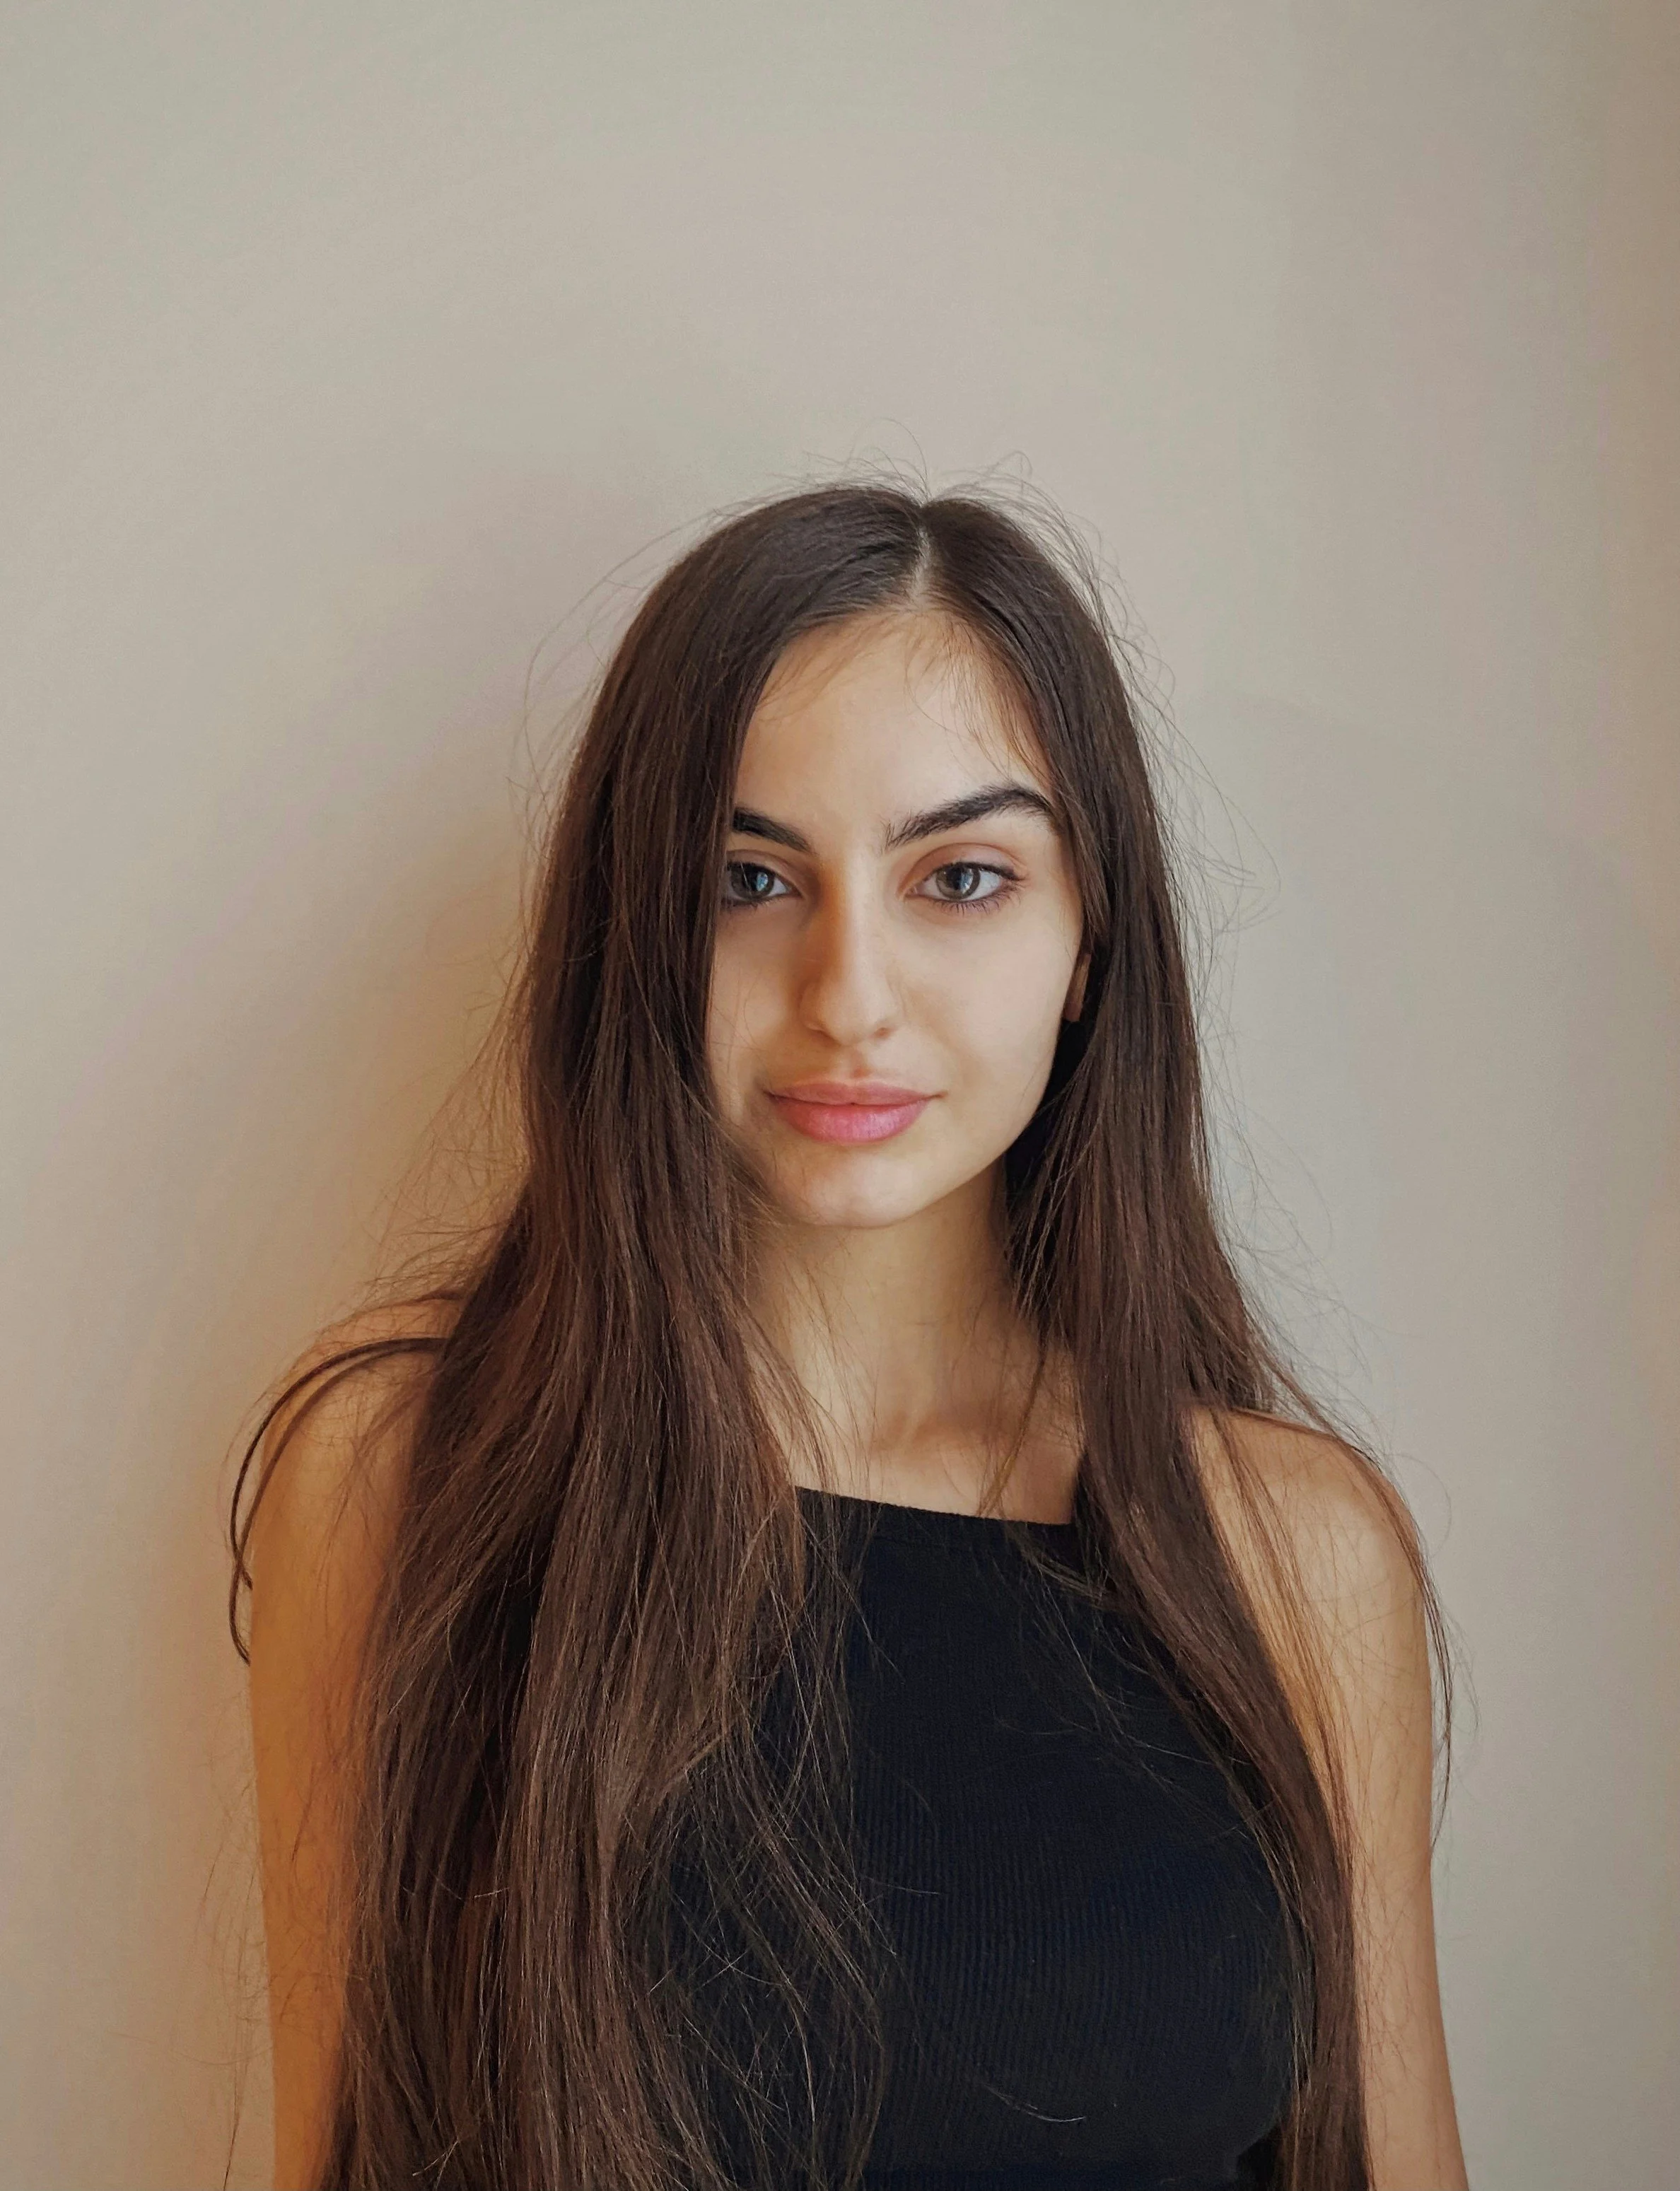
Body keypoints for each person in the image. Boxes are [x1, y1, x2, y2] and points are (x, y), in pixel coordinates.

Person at [232, 481, 1467, 2191]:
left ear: (1088, 938)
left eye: (961, 876)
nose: (850, 992)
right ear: (634, 934)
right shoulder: (393, 1480)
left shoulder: (1296, 1554)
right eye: (749, 877)